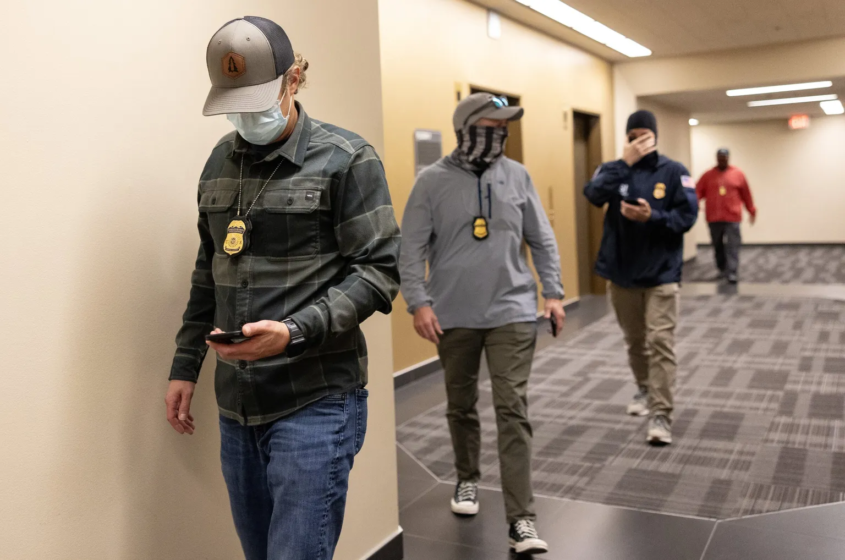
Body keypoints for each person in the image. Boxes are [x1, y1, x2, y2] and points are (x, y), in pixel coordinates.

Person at [163, 17, 400, 560]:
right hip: (237, 403)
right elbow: (208, 271)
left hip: (314, 400)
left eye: (258, 97)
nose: (247, 114)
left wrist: (293, 332)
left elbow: (381, 271)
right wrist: (183, 367)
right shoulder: (220, 161)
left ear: (293, 79)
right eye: (235, 103)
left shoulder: (348, 159)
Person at [399, 92, 566, 555]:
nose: (499, 134)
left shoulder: (518, 176)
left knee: (512, 407)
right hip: (452, 314)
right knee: (460, 401)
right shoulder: (430, 182)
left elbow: (542, 239)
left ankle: (522, 520)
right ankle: (467, 478)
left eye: (504, 126)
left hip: (512, 310)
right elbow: (409, 248)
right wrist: (418, 302)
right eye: (491, 124)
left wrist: (552, 293)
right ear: (466, 126)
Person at [583, 109, 698, 446]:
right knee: (635, 341)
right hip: (621, 274)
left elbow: (687, 216)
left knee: (660, 343)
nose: (639, 141)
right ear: (627, 138)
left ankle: (662, 412)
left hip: (661, 273)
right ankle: (644, 388)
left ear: (656, 137)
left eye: (645, 135)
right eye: (633, 136)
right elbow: (592, 195)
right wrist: (624, 163)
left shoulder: (674, 171)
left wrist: (654, 216)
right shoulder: (612, 169)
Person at [696, 148, 757, 284]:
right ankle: (722, 268)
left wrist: (751, 210)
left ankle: (732, 272)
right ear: (716, 158)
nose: (722, 160)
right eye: (719, 158)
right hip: (713, 218)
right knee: (717, 245)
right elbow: (697, 191)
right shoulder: (708, 175)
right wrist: (695, 203)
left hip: (732, 217)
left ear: (728, 158)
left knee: (732, 245)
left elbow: (746, 194)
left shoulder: (738, 174)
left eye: (724, 157)